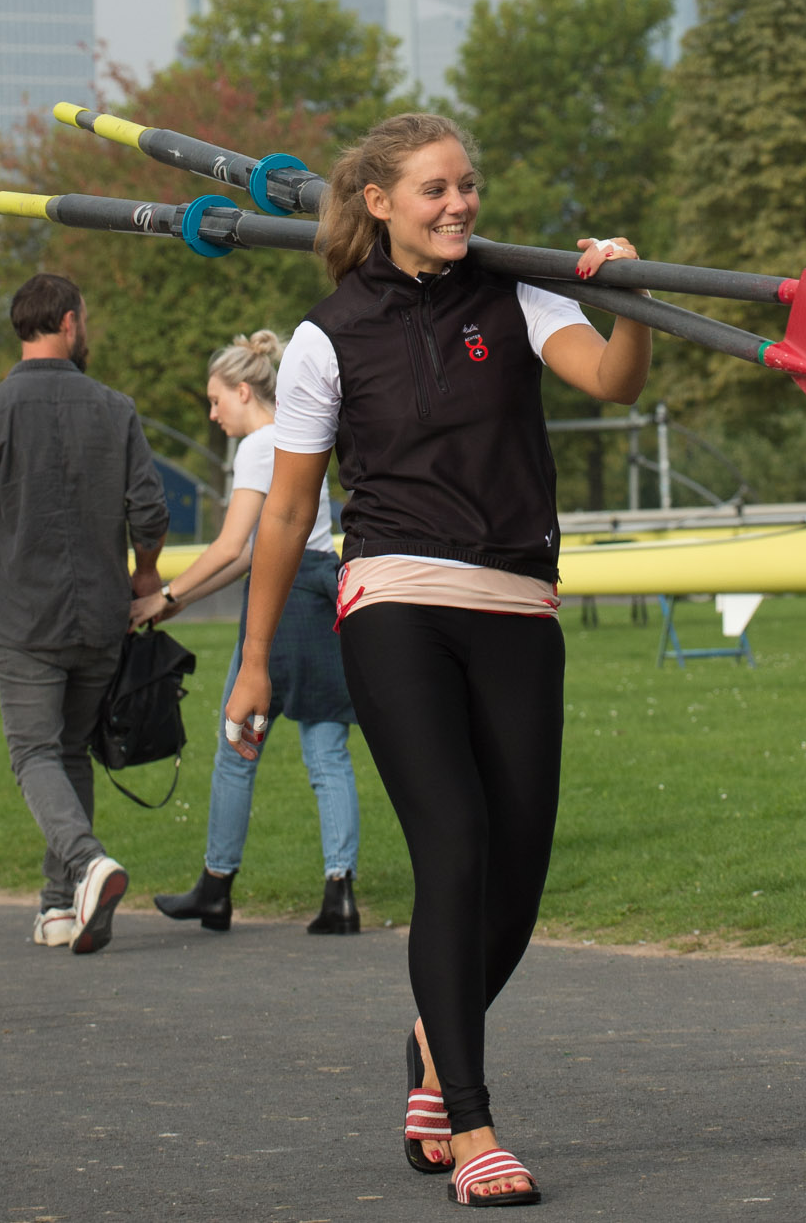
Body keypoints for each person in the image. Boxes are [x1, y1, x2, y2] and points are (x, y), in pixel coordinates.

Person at [224, 112, 651, 1207]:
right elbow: (286, 515)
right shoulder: (325, 336)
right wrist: (255, 659)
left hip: (515, 595)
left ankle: (432, 1039)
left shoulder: (520, 292)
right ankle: (470, 1121)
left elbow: (609, 381)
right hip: (394, 597)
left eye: (468, 184)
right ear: (378, 201)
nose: (458, 204)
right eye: (433, 189)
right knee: (452, 845)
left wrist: (626, 298)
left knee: (517, 872)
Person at [0, 272, 168, 956]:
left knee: (33, 750)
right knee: (68, 751)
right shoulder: (115, 409)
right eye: (84, 318)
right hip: (101, 615)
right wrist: (144, 575)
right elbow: (149, 511)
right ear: (67, 321)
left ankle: (88, 865)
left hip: (25, 617)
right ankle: (59, 906)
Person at [135, 329, 362, 937]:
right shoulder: (298, 432)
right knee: (326, 749)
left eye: (215, 401)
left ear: (243, 390)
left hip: (279, 600)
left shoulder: (260, 447)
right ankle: (340, 894)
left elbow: (235, 547)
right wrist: (180, 600)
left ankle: (216, 887)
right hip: (320, 587)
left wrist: (167, 595)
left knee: (237, 746)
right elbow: (248, 552)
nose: (212, 415)